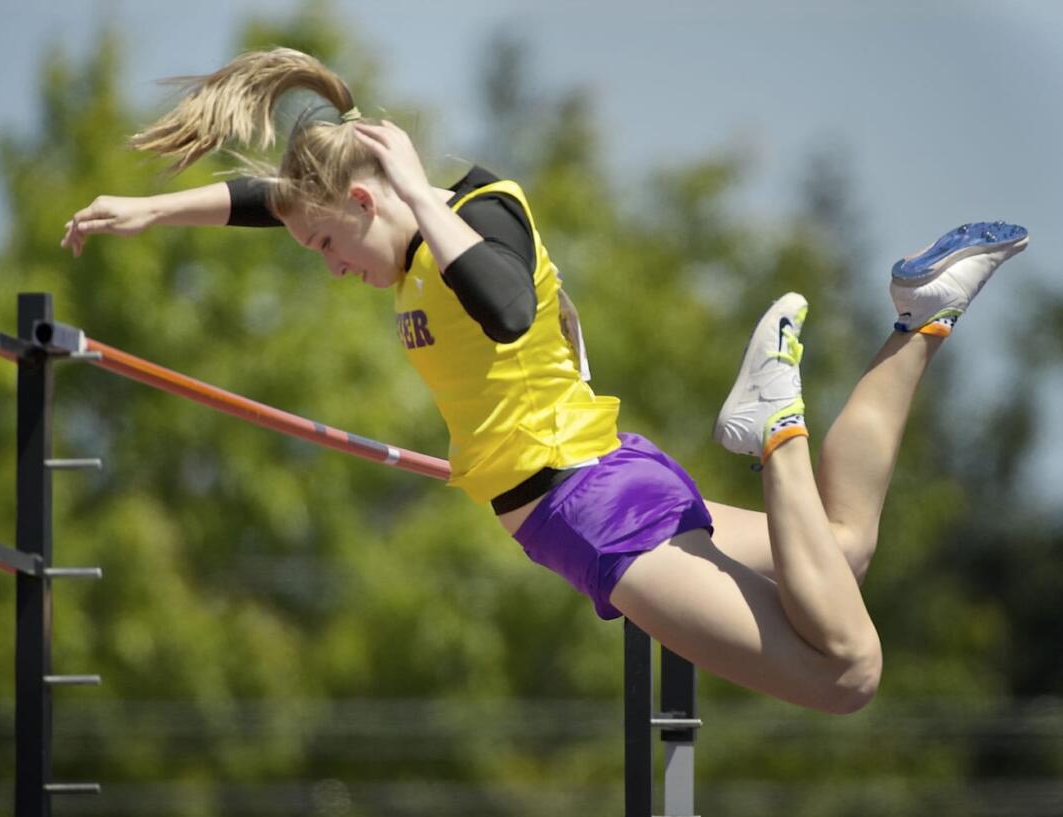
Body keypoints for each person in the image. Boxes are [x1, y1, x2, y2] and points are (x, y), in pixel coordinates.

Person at [60, 47, 1029, 715]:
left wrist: (411, 196)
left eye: (325, 242)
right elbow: (271, 194)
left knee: (848, 674)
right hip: (617, 468)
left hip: (588, 510)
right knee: (841, 546)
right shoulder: (390, 229)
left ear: (368, 199)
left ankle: (773, 427)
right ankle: (918, 317)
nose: (326, 264)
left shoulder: (476, 222)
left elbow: (504, 305)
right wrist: (149, 211)